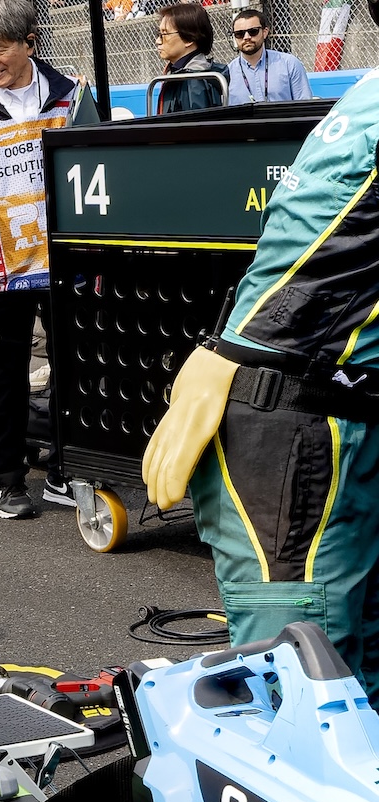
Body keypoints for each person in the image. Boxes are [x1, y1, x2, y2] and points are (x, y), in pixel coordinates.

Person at [143, 0, 379, 692]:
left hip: (313, 415)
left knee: (350, 691)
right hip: (294, 432)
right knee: (301, 703)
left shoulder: (367, 98)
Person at [0, 0, 97, 519]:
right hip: (2, 266)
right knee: (5, 374)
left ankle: (66, 468)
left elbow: (100, 163)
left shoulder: (73, 96)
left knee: (76, 369)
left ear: (30, 42)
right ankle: (7, 478)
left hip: (66, 264)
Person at [227, 9, 312, 105]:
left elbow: (305, 106)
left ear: (265, 32)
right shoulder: (227, 73)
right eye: (239, 34)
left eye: (253, 31)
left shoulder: (289, 64)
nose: (246, 37)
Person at [155, 3, 227, 114]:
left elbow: (195, 129)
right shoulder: (178, 73)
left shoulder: (194, 81)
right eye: (159, 34)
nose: (158, 41)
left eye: (164, 34)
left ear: (189, 39)